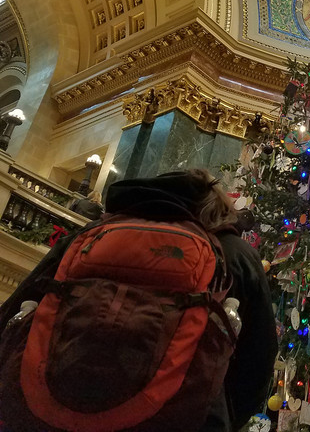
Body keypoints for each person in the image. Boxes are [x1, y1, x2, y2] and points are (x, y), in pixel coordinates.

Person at [0, 169, 276, 432]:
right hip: (185, 416)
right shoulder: (236, 255)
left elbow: (14, 315)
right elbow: (257, 360)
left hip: (47, 408)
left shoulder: (92, 236)